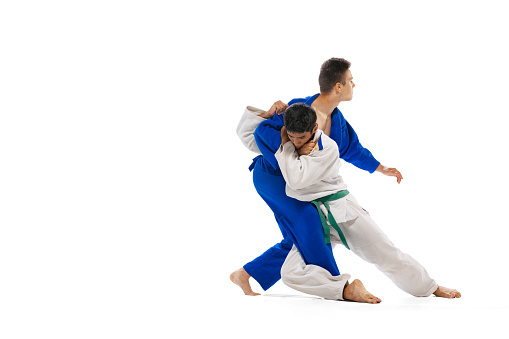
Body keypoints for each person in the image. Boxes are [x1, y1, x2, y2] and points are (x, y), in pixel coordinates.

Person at [230, 58, 460, 300]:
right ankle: (343, 288)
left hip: (322, 194)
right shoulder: (297, 109)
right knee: (306, 225)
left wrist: (381, 168)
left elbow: (353, 149)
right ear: (338, 86)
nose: (354, 84)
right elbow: (259, 135)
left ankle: (246, 273)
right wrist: (271, 122)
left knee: (304, 238)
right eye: (350, 81)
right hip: (275, 179)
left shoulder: (335, 124)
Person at [274, 102, 442, 301]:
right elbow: (249, 136)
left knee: (386, 253)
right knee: (290, 272)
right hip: (312, 217)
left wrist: (287, 148)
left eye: (301, 137)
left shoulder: (327, 147)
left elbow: (296, 181)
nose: (296, 142)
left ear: (314, 129)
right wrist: (273, 119)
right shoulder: (292, 144)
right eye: (291, 136)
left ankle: (430, 287)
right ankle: (345, 290)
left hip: (342, 211)